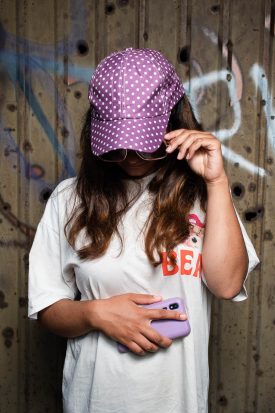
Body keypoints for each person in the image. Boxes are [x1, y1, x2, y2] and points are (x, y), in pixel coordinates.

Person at [28, 47, 260, 413]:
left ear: (172, 120)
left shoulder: (202, 194)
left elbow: (228, 284)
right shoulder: (68, 199)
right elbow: (47, 308)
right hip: (94, 402)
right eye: (116, 146)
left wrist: (216, 182)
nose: (129, 156)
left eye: (141, 143)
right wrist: (95, 314)